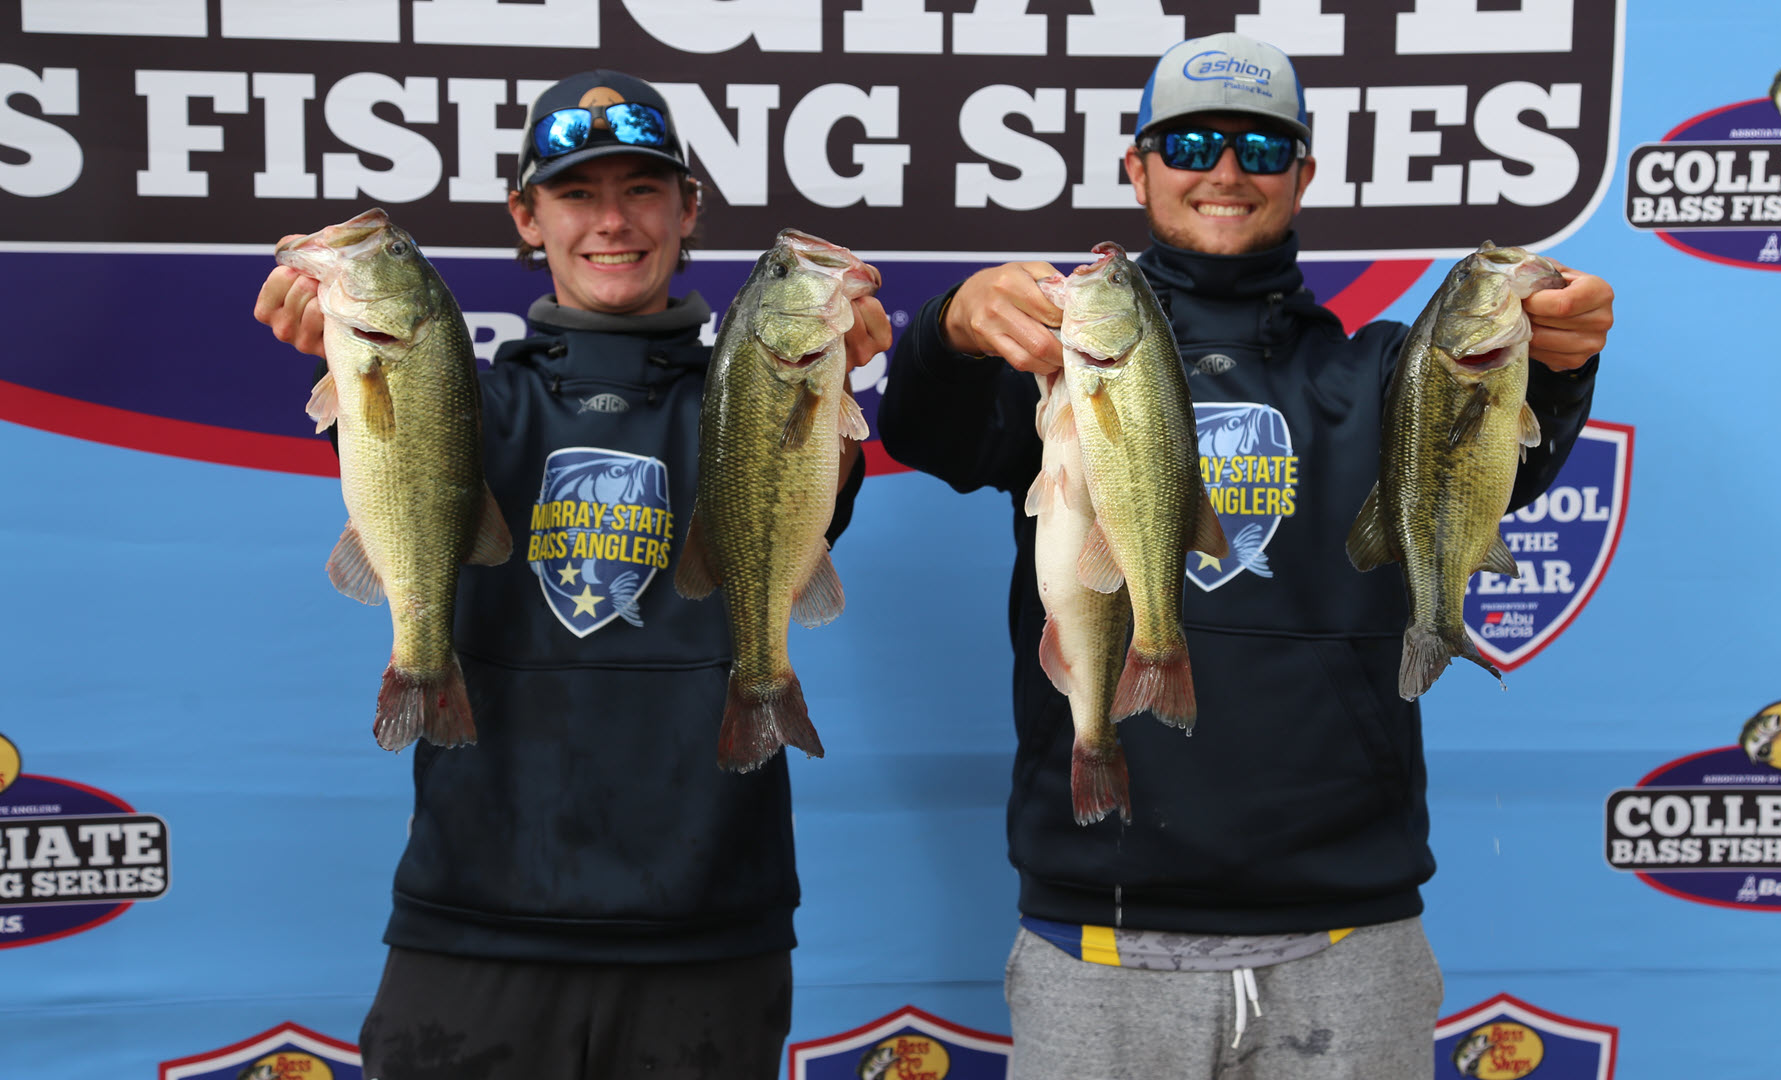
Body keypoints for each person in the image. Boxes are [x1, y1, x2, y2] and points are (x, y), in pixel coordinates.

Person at [877, 33, 1613, 1080]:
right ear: (1136, 167)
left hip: (1350, 941)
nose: (1225, 169)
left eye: (1261, 148)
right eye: (1191, 142)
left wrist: (1563, 366)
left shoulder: (1385, 371)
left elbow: (1494, 469)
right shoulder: (1060, 360)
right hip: (1100, 939)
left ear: (1304, 175)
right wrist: (945, 330)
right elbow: (924, 432)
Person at [255, 69, 891, 1079]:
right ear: (527, 215)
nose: (612, 221)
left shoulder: (751, 397)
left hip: (711, 932)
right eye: (576, 193)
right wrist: (326, 324)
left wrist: (831, 389)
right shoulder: (463, 396)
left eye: (642, 189)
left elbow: (818, 503)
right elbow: (391, 446)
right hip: (471, 929)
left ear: (688, 210)